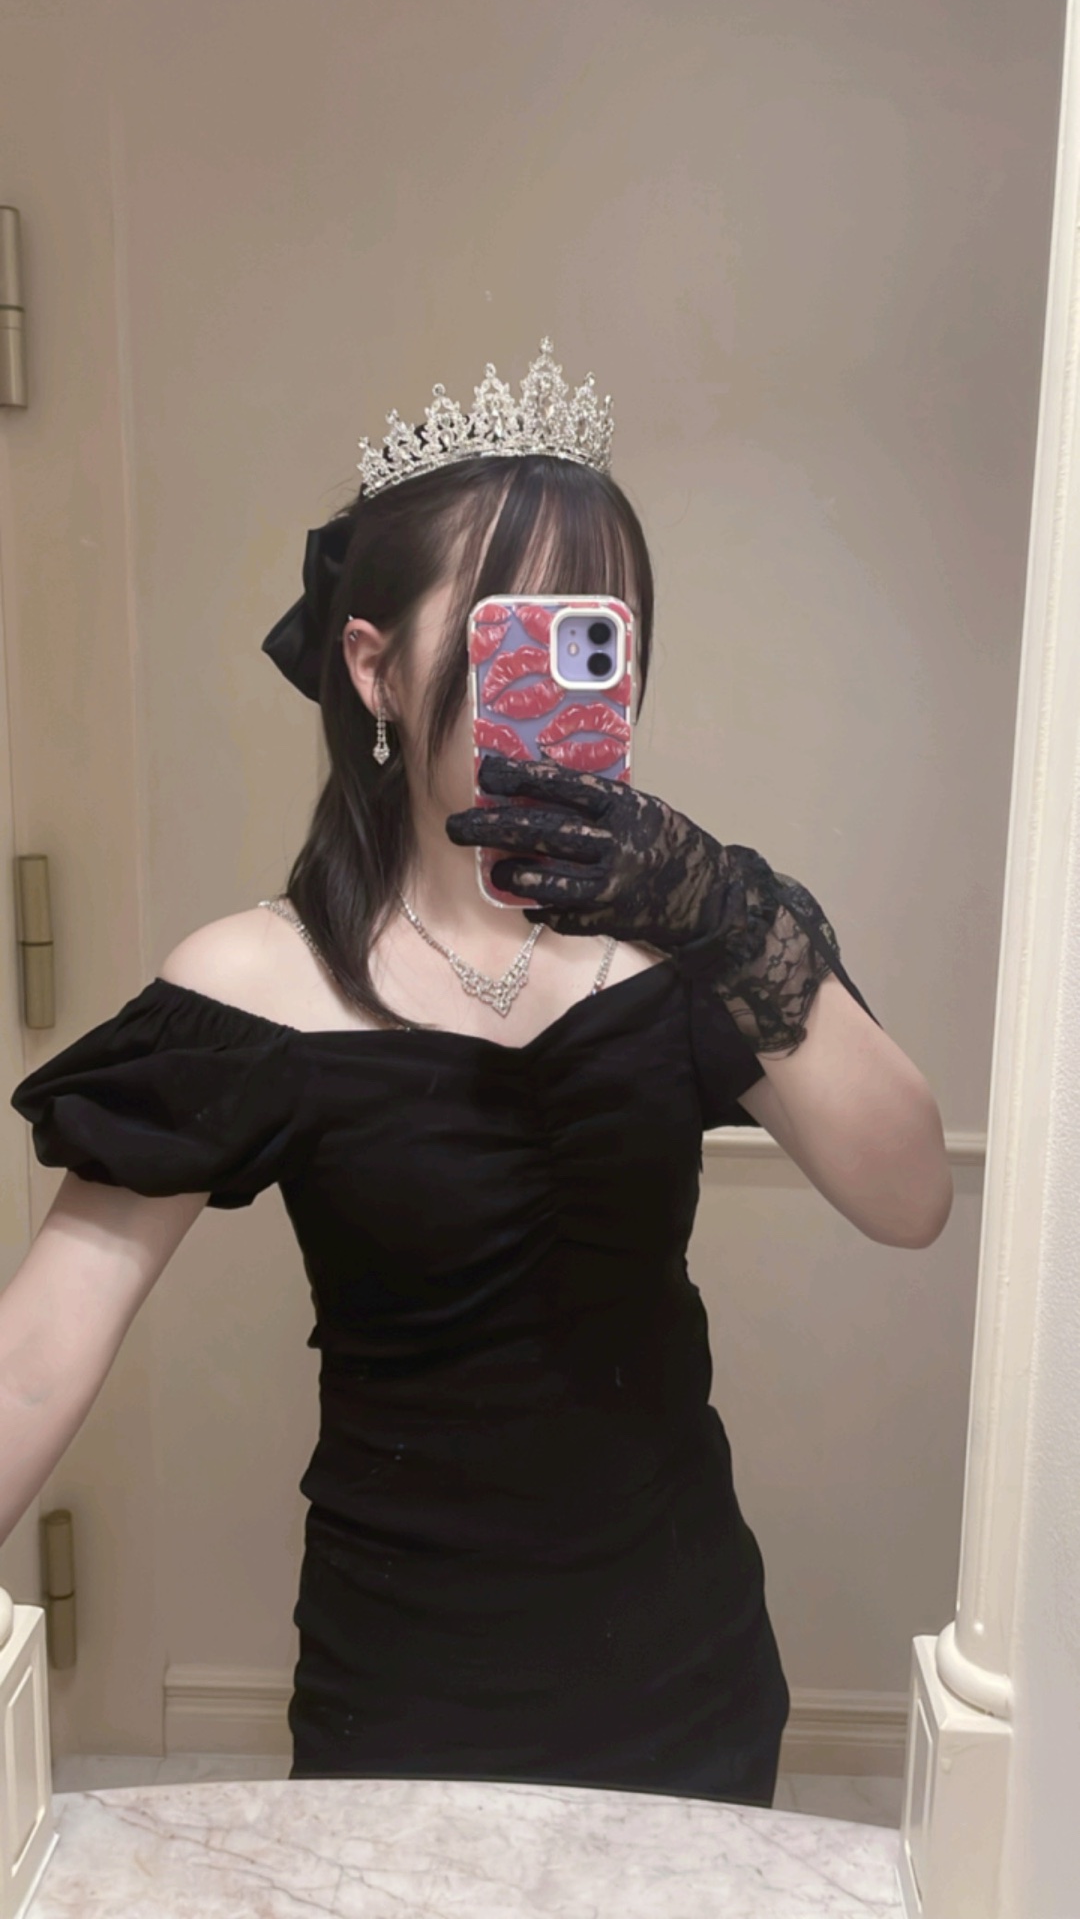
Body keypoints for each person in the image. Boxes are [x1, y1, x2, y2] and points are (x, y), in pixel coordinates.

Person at [5, 341, 946, 1806]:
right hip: (404, 1689)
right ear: (372, 665)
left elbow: (910, 1197)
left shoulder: (696, 945)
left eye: (601, 629)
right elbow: (35, 1359)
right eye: (522, 627)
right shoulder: (254, 982)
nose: (571, 669)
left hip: (686, 1662)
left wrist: (720, 908)